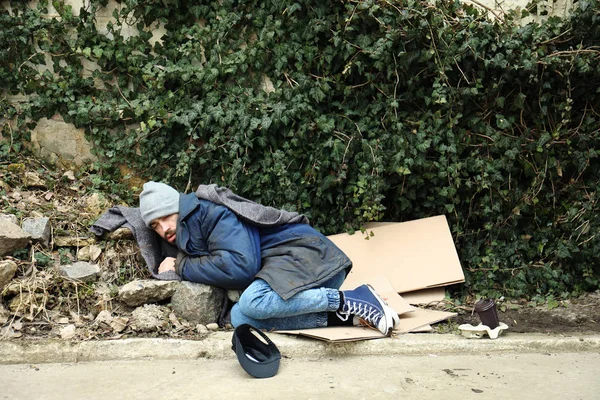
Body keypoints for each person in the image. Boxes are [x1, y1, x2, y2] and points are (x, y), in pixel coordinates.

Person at [139, 181, 399, 335]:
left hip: (310, 259)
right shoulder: (189, 228)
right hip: (293, 290)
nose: (164, 229)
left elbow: (241, 267)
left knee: (253, 302)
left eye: (166, 217)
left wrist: (182, 265)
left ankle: (353, 298)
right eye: (155, 226)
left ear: (179, 208)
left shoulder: (212, 214)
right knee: (240, 318)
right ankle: (347, 316)